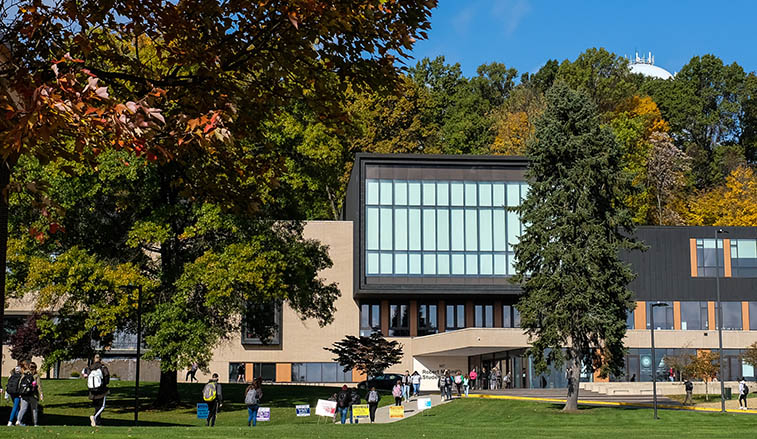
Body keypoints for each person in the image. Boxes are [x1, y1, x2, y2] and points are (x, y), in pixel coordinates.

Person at [85, 354, 110, 427]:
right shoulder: (103, 367)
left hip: (92, 391)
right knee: (102, 406)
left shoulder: (90, 368)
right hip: (101, 390)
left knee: (97, 406)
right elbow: (106, 377)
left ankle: (97, 422)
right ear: (100, 359)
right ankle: (94, 417)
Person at [16, 361, 43, 426]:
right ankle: (35, 423)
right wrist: (41, 394)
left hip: (24, 394)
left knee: (23, 408)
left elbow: (20, 384)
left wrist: (20, 393)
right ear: (35, 368)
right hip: (33, 395)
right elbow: (39, 386)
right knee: (34, 409)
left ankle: (18, 421)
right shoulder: (36, 376)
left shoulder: (24, 374)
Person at [6, 361, 23, 426]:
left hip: (11, 392)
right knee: (15, 407)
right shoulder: (20, 376)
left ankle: (18, 421)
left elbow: (8, 384)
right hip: (17, 393)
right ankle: (10, 421)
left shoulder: (12, 376)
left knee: (16, 407)